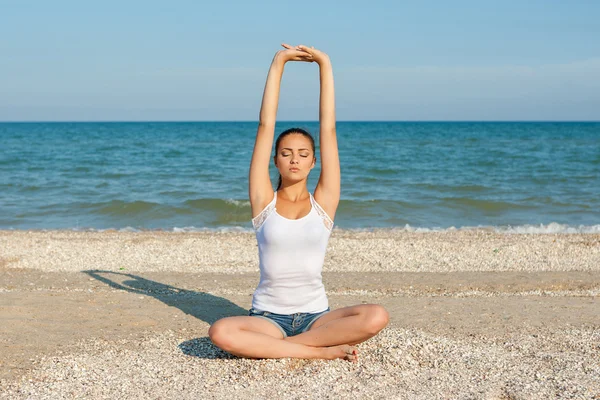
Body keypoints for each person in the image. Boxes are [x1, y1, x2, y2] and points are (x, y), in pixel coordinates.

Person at [208, 44, 389, 362]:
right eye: (286, 153)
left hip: (317, 317)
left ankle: (292, 348)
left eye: (303, 154)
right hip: (267, 318)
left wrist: (325, 64)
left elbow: (329, 129)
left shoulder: (324, 203)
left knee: (377, 316)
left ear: (313, 162)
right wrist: (278, 62)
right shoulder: (264, 201)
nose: (294, 159)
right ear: (275, 161)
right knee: (220, 332)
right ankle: (317, 352)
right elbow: (265, 125)